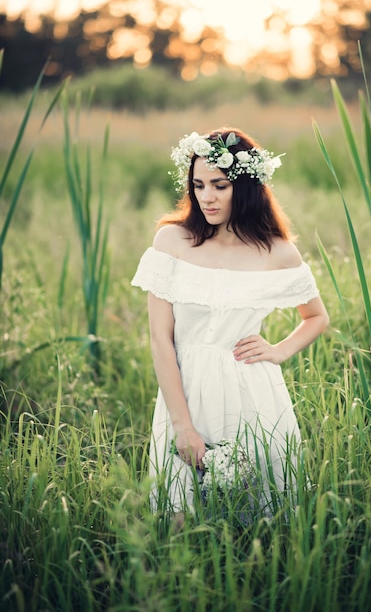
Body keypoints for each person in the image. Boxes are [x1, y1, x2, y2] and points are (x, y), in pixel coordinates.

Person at [131, 127, 329, 515]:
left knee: (261, 518)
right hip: (185, 390)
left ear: (247, 186)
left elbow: (316, 317)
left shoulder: (277, 252)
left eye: (219, 185)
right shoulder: (172, 242)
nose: (207, 197)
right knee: (180, 519)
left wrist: (278, 350)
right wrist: (182, 424)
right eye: (199, 184)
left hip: (252, 391)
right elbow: (160, 339)